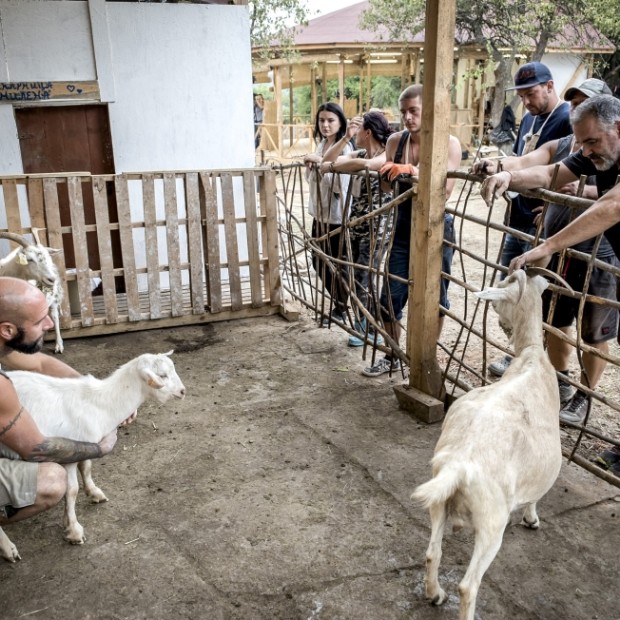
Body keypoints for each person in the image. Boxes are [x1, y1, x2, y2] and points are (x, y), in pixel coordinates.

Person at [481, 94, 620, 476]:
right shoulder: (594, 153)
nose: (586, 151)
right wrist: (510, 176)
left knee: (597, 333)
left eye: (592, 142)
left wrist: (548, 244)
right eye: (583, 143)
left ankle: (592, 406)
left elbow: (612, 206)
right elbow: (550, 173)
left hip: (607, 256)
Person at [0, 277, 118, 528]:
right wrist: (102, 447)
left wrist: (98, 393)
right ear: (7, 330)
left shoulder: (3, 346)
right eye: (39, 320)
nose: (50, 324)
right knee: (51, 481)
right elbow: (36, 448)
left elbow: (42, 364)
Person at [361, 84, 462, 377]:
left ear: (428, 111)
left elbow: (445, 192)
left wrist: (413, 172)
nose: (407, 117)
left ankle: (425, 358)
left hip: (436, 228)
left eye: (414, 111)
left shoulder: (448, 143)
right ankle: (393, 354)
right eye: (404, 112)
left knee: (436, 298)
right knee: (389, 297)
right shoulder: (395, 142)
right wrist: (388, 171)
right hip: (403, 226)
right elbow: (384, 188)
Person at [485, 62, 573, 378]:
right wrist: (497, 165)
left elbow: (561, 176)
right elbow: (522, 160)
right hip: (519, 215)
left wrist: (551, 211)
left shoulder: (567, 120)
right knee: (510, 289)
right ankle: (519, 352)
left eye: (531, 93)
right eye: (521, 95)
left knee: (537, 295)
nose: (526, 101)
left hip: (542, 223)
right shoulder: (528, 119)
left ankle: (536, 361)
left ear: (550, 86)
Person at [319, 111, 394, 347]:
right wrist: (340, 155)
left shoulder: (386, 155)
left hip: (377, 228)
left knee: (365, 277)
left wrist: (340, 166)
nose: (355, 134)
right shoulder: (361, 152)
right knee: (350, 274)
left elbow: (371, 165)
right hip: (357, 224)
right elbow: (326, 161)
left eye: (358, 129)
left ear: (368, 132)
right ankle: (364, 321)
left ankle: (370, 327)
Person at [303, 102, 354, 324]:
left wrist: (322, 165)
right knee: (318, 261)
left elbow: (340, 187)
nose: (325, 125)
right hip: (319, 214)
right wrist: (313, 166)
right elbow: (311, 181)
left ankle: (341, 309)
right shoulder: (321, 144)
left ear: (341, 122)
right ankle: (340, 304)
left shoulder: (346, 149)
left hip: (337, 216)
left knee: (336, 264)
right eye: (322, 120)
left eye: (331, 120)